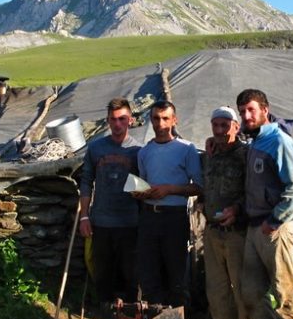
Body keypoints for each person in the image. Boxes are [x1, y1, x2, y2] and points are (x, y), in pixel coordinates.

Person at [236, 88, 293, 319]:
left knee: (284, 291)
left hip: (277, 227)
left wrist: (275, 219)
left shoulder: (279, 141)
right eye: (243, 111)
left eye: (251, 109)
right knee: (252, 290)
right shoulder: (256, 142)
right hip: (257, 227)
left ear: (265, 110)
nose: (246, 115)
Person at [132, 100, 203, 308]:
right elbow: (143, 185)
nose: (160, 123)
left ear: (174, 120)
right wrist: (140, 193)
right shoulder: (144, 152)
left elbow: (199, 187)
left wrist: (170, 189)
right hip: (148, 216)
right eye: (156, 118)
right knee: (149, 270)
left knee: (176, 271)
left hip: (174, 216)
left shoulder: (186, 149)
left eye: (165, 118)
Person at [78, 98, 141, 308]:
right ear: (107, 121)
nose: (117, 124)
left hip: (130, 223)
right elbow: (86, 181)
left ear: (130, 120)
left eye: (122, 119)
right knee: (103, 275)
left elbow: (146, 186)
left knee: (131, 276)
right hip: (102, 222)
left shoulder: (138, 151)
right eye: (113, 119)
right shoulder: (96, 148)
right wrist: (85, 215)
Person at [201, 106, 253, 319]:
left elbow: (255, 191)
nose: (220, 131)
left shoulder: (246, 155)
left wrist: (238, 209)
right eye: (216, 126)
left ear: (236, 126)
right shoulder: (209, 154)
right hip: (212, 232)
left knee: (243, 289)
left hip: (237, 232)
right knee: (217, 289)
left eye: (225, 125)